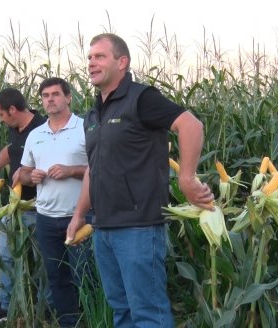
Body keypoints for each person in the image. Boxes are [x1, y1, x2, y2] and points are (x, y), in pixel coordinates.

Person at [66, 33, 215, 328]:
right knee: (121, 310)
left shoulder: (141, 98)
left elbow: (190, 124)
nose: (91, 63)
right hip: (102, 226)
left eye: (100, 56)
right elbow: (93, 169)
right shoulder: (92, 114)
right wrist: (79, 214)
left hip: (138, 227)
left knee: (148, 313)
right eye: (89, 58)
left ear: (122, 62)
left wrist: (186, 177)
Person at [19, 77, 90, 328]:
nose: (50, 99)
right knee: (57, 277)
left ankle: (92, 319)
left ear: (68, 97)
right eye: (45, 95)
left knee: (86, 276)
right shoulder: (35, 135)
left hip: (81, 218)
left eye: (56, 94)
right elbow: (23, 172)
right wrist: (32, 176)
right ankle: (69, 323)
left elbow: (100, 169)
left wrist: (72, 170)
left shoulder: (85, 128)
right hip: (46, 218)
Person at [0, 87, 49, 327]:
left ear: (13, 110)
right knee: (7, 257)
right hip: (15, 207)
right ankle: (5, 307)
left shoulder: (43, 128)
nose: (0, 120)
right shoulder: (14, 129)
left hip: (41, 207)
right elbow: (10, 151)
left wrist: (26, 174)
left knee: (43, 261)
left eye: (1, 115)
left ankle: (44, 308)